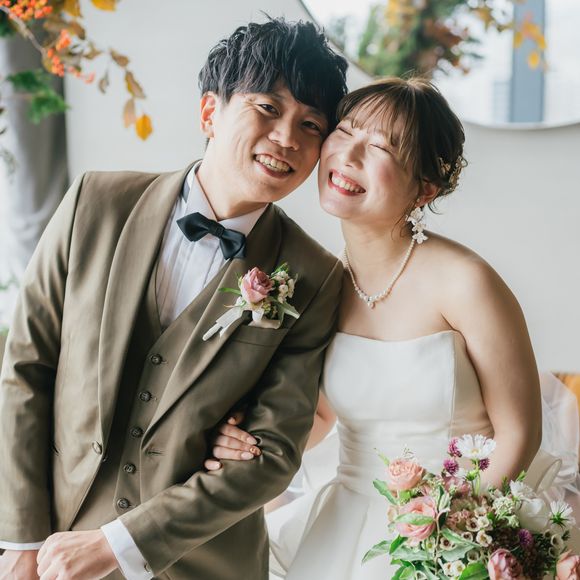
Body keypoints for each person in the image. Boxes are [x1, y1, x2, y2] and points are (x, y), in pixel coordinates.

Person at [0, 18, 348, 580]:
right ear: (210, 111)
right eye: (267, 108)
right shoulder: (95, 202)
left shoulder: (316, 274)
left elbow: (272, 454)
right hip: (52, 546)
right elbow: (26, 370)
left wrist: (117, 544)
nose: (288, 138)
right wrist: (21, 541)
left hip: (201, 565)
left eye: (311, 125)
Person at [204, 77, 579, 579]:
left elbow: (519, 434)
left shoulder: (466, 283)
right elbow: (319, 414)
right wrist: (246, 442)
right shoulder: (319, 284)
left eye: (380, 147)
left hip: (457, 528)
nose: (349, 155)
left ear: (425, 188)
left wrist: (450, 533)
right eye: (345, 132)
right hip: (347, 527)